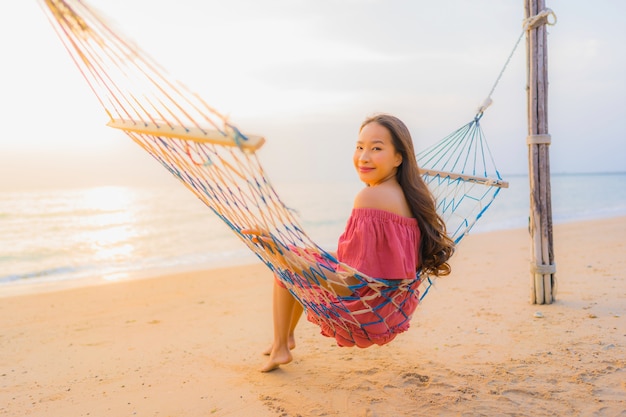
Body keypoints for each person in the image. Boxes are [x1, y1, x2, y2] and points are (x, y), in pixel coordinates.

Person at [258, 113, 455, 372]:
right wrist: (299, 256)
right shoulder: (411, 197)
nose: (363, 157)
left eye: (376, 148)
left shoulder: (370, 198)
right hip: (393, 309)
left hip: (365, 315)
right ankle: (285, 339)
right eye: (360, 147)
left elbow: (345, 284)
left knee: (284, 265)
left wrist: (285, 256)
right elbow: (372, 262)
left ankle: (281, 346)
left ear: (399, 157)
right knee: (300, 255)